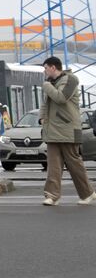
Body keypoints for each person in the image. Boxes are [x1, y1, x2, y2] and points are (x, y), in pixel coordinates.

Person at [39, 56, 94, 206]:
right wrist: (41, 118)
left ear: (53, 67)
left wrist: (46, 86)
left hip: (69, 129)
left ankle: (87, 194)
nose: (44, 71)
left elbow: (61, 98)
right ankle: (52, 196)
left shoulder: (71, 80)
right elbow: (45, 104)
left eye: (45, 68)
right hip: (52, 131)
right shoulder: (50, 83)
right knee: (53, 166)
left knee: (74, 165)